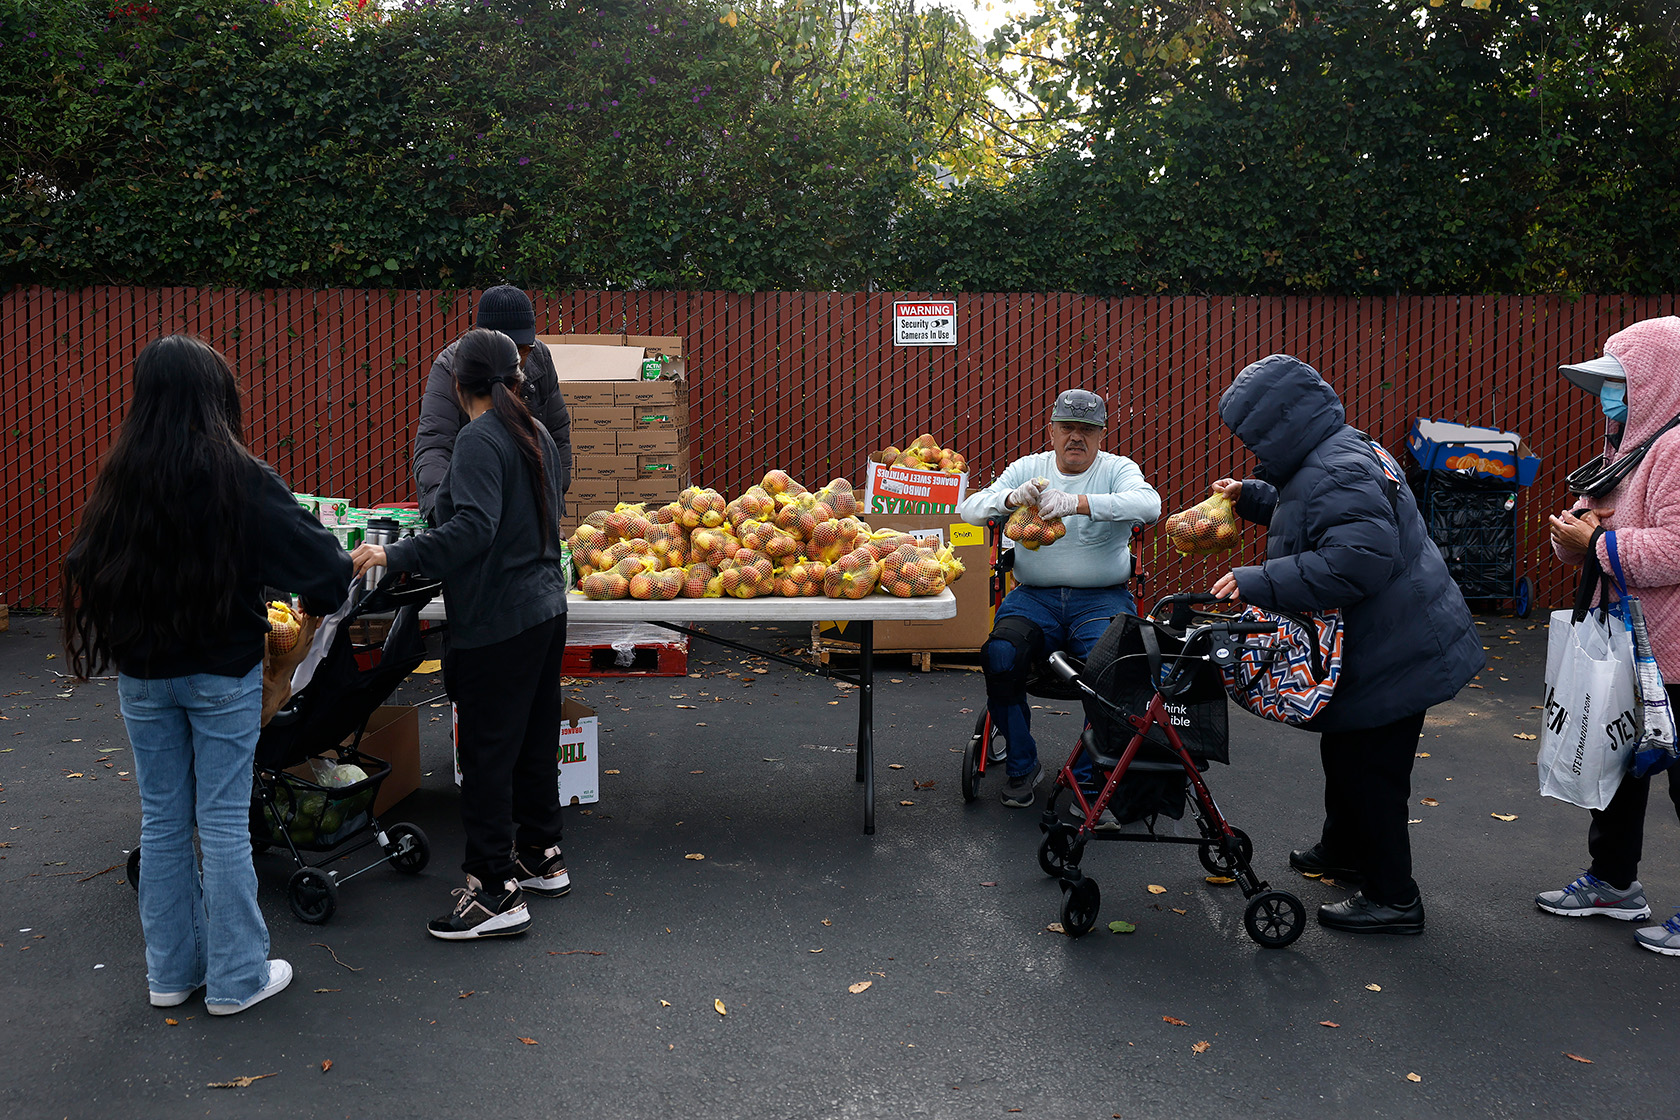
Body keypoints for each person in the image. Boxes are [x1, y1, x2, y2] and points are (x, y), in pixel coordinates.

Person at [61, 334, 351, 1014]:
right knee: (221, 823)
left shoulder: (120, 478)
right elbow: (328, 572)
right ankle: (237, 979)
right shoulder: (240, 476)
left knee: (162, 822)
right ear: (216, 396)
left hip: (142, 676)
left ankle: (171, 974)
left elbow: (83, 563)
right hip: (222, 676)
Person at [1209, 353, 1482, 935]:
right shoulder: (1335, 451)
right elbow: (1312, 509)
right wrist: (1250, 495)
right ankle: (1344, 848)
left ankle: (1393, 897)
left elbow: (1355, 562)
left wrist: (1258, 581)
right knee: (1345, 748)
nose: (1249, 445)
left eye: (1254, 435)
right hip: (1391, 640)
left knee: (1372, 773)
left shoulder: (1336, 467)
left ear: (1282, 423)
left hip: (1397, 652)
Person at [352, 328, 571, 941]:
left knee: (486, 755)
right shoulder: (539, 434)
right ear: (515, 376)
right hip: (544, 610)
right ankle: (540, 856)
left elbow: (472, 530)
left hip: (499, 619)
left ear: (457, 383)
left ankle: (493, 891)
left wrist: (391, 558)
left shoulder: (479, 440)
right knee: (531, 740)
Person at [1536, 315, 1680, 957]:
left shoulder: (1675, 449)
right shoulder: (1635, 446)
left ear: (1657, 382)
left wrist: (1596, 542)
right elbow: (1622, 537)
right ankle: (1613, 883)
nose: (1608, 399)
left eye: (1620, 384)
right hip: (1632, 641)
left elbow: (1676, 548)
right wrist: (1580, 545)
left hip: (1670, 651)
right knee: (1620, 767)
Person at [957, 389, 1161, 816]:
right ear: (1051, 430)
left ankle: (1088, 777)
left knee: (1115, 667)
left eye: (1087, 430)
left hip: (1102, 598)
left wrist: (1079, 503)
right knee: (999, 655)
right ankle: (1022, 765)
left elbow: (1150, 505)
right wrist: (1011, 499)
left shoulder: (1117, 469)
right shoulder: (1029, 469)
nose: (1076, 437)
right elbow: (970, 510)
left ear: (1101, 435)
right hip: (1034, 598)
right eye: (1067, 427)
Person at [414, 285, 572, 523]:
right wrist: (447, 516)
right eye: (509, 351)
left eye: (523, 350)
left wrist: (551, 510)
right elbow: (434, 446)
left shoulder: (540, 357)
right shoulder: (451, 366)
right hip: (467, 498)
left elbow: (557, 435)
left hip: (526, 507)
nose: (518, 361)